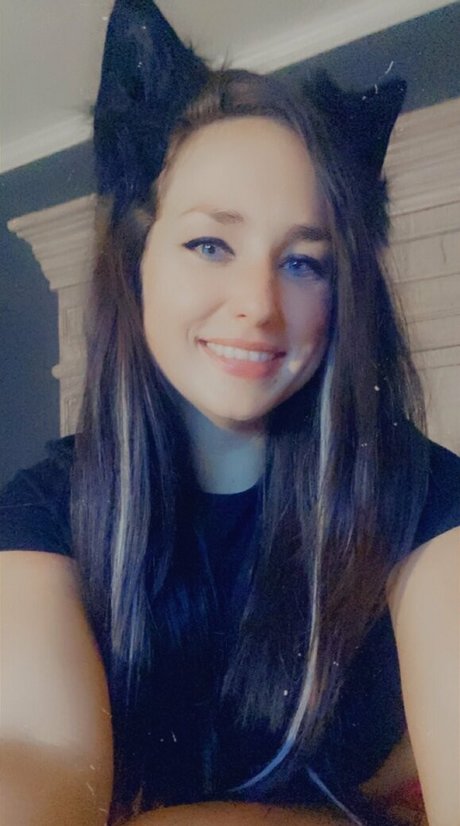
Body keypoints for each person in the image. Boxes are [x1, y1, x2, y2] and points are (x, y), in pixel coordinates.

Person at [1, 2, 459, 825]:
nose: (259, 304)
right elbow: (40, 756)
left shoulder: (423, 493)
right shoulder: (45, 510)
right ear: (136, 263)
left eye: (305, 262)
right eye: (210, 244)